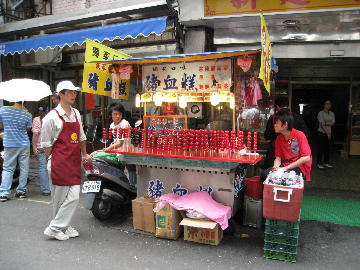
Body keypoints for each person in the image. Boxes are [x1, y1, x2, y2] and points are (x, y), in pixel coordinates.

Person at [41, 80, 91, 241]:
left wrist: (84, 154)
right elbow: (46, 144)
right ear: (60, 94)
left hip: (73, 162)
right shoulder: (50, 118)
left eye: (75, 92)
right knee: (59, 200)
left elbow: (81, 136)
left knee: (75, 196)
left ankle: (57, 226)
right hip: (59, 163)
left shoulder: (76, 113)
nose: (73, 95)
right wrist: (53, 159)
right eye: (69, 92)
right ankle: (60, 227)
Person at [261, 109, 312, 182]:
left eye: (277, 123)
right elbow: (278, 158)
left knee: (284, 178)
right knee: (264, 174)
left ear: (285, 125)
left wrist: (285, 168)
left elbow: (306, 158)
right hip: (285, 166)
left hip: (299, 167)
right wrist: (275, 167)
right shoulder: (278, 138)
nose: (274, 125)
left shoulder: (299, 135)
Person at [262, 96, 310, 168]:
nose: (275, 125)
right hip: (283, 155)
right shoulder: (297, 117)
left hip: (278, 154)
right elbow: (307, 134)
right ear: (288, 106)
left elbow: (267, 136)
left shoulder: (273, 118)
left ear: (277, 107)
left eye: (277, 123)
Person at [0, 102, 32, 202]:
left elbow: (1, 123)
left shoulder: (3, 110)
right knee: (24, 168)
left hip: (10, 143)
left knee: (8, 168)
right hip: (24, 144)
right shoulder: (27, 114)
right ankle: (21, 191)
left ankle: (4, 193)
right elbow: (27, 129)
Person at [32, 106, 51, 196]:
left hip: (40, 147)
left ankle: (46, 190)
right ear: (47, 109)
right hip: (50, 147)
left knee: (42, 168)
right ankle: (54, 187)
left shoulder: (37, 119)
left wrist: (34, 147)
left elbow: (35, 134)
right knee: (52, 167)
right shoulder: (51, 117)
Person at [317, 100, 335, 169]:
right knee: (320, 148)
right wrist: (327, 132)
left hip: (329, 134)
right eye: (327, 104)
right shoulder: (320, 113)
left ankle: (326, 162)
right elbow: (321, 124)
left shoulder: (332, 113)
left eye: (329, 104)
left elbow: (333, 123)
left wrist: (325, 123)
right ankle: (319, 163)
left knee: (327, 149)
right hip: (321, 133)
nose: (328, 105)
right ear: (324, 105)